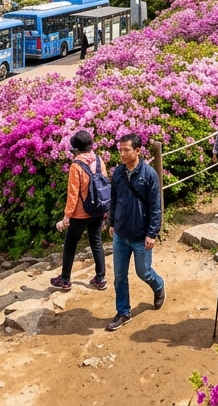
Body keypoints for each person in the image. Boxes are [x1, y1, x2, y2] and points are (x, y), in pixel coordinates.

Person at [106, 133, 165, 332]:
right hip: (121, 235)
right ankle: (123, 311)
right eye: (120, 150)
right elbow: (114, 200)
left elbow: (156, 207)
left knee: (144, 272)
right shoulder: (117, 173)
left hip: (141, 236)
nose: (122, 154)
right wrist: (112, 222)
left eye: (126, 150)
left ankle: (158, 286)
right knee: (119, 276)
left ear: (138, 151)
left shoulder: (149, 175)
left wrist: (152, 233)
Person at [52, 130, 109, 291]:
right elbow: (104, 184)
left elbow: (73, 194)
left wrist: (66, 217)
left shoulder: (76, 165)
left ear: (75, 148)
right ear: (90, 145)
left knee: (70, 245)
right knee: (96, 242)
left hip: (80, 213)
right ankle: (100, 278)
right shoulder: (98, 160)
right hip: (97, 210)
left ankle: (65, 280)